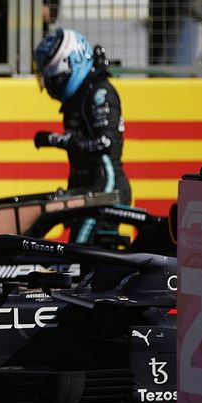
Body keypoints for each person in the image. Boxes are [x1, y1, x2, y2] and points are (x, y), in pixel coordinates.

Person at [33, 28, 131, 245]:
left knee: (79, 252)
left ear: (74, 62)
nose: (51, 87)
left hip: (107, 190)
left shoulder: (100, 93)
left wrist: (58, 140)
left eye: (56, 78)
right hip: (86, 190)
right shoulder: (77, 98)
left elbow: (105, 143)